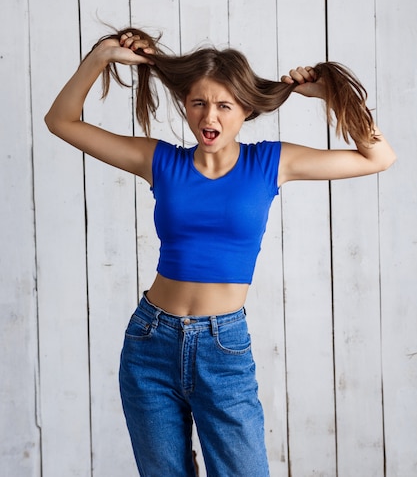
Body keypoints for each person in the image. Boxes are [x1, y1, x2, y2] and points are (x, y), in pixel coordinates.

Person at [45, 28, 396, 477]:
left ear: (246, 110)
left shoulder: (270, 162)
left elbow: (378, 157)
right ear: (186, 107)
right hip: (150, 342)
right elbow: (62, 121)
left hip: (222, 346)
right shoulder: (160, 161)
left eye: (224, 105)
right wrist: (101, 57)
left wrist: (330, 96)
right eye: (199, 103)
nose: (209, 115)